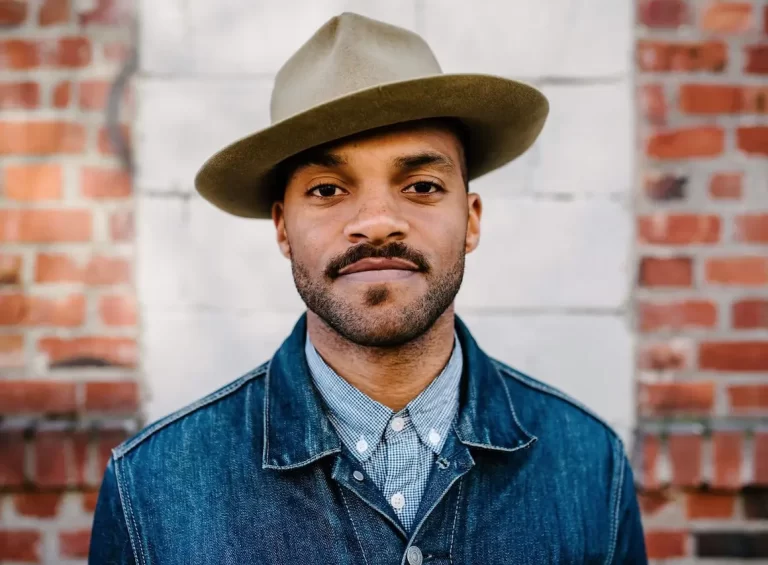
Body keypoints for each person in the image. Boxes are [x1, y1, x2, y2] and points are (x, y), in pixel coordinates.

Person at [89, 12, 647, 564]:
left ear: (471, 219)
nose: (378, 221)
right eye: (329, 189)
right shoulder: (152, 489)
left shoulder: (592, 466)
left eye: (422, 185)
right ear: (283, 228)